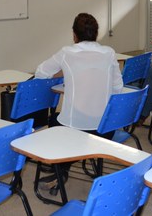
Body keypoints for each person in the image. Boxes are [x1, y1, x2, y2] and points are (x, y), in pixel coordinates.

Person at [34, 12, 123, 190]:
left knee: (55, 119)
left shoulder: (66, 53)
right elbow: (118, 88)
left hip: (75, 130)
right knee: (72, 125)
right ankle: (62, 166)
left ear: (74, 35)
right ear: (96, 34)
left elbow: (40, 73)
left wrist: (64, 72)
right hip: (105, 129)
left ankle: (60, 167)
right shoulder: (109, 52)